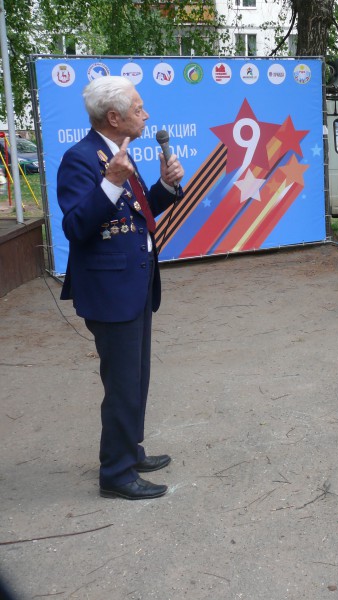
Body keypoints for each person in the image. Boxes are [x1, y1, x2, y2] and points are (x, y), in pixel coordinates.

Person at [57, 76, 184, 500]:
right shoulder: (81, 159)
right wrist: (110, 182)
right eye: (138, 108)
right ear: (114, 117)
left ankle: (129, 448)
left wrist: (165, 188)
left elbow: (134, 214)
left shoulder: (117, 153)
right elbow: (76, 226)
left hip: (134, 282)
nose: (145, 115)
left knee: (137, 377)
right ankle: (116, 473)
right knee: (122, 383)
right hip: (110, 291)